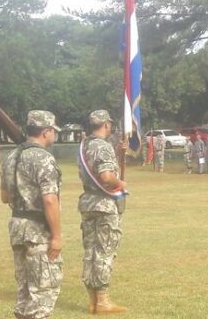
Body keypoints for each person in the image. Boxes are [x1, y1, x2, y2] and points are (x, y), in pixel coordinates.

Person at [1, 110, 63, 319]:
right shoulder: (44, 159)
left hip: (17, 226)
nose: (54, 135)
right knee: (43, 292)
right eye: (53, 131)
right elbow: (49, 199)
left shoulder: (12, 156)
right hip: (38, 231)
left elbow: (4, 196)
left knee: (25, 291)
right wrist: (56, 236)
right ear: (46, 131)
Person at [77, 110, 128, 314]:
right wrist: (120, 182)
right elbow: (106, 176)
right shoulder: (103, 146)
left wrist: (120, 154)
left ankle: (93, 301)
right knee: (105, 251)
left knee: (90, 251)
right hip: (104, 204)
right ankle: (103, 301)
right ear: (106, 124)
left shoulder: (85, 146)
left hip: (88, 202)